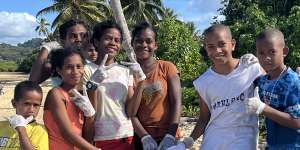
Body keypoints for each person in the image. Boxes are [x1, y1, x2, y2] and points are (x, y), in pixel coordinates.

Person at [189, 24, 264, 150]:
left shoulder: (251, 67)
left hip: (244, 140)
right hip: (212, 142)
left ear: (232, 44)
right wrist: (187, 141)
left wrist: (260, 64)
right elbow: (203, 119)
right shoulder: (203, 82)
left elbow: (273, 85)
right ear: (206, 49)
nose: (217, 50)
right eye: (211, 47)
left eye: (222, 44)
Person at [82, 20, 145, 150]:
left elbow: (130, 111)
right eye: (108, 38)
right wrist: (93, 84)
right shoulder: (86, 70)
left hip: (125, 136)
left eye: (117, 40)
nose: (113, 43)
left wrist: (141, 80)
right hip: (98, 138)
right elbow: (88, 111)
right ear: (96, 42)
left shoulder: (125, 71)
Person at [126, 22, 182, 150]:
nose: (144, 45)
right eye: (139, 41)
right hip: (142, 139)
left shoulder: (167, 68)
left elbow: (176, 102)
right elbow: (131, 113)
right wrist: (145, 137)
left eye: (149, 41)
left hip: (170, 135)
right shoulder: (128, 74)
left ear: (155, 45)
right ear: (132, 44)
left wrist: (170, 136)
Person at [245, 28, 300, 149]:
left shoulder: (293, 82)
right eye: (261, 53)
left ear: (284, 51)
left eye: (272, 52)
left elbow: (297, 122)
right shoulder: (264, 81)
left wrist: (262, 108)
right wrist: (243, 66)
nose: (266, 58)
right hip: (272, 145)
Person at [43, 48, 98, 150]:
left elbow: (88, 137)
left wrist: (90, 116)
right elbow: (67, 133)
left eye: (79, 66)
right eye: (69, 67)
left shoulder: (82, 97)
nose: (75, 71)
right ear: (59, 70)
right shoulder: (56, 94)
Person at [29, 19, 89, 85]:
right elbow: (31, 84)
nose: (79, 39)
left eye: (83, 35)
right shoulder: (56, 66)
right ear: (63, 41)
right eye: (73, 36)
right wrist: (46, 48)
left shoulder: (97, 61)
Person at [0, 80, 48, 150]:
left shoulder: (40, 131)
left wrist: (21, 130)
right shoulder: (1, 126)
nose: (31, 110)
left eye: (36, 105)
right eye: (26, 104)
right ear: (14, 103)